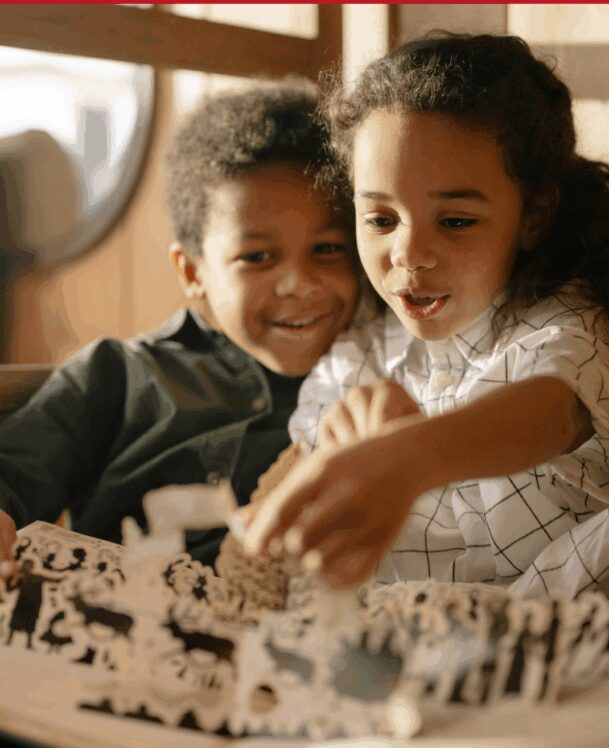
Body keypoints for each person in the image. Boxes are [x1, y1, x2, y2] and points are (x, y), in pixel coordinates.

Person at [245, 34, 609, 597]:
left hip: (592, 625)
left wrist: (406, 457)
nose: (408, 253)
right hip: (419, 651)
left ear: (534, 214)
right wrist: (340, 444)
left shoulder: (563, 320)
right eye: (380, 219)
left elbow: (549, 410)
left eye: (455, 221)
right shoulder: (363, 351)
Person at [0, 80, 359, 567]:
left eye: (328, 249)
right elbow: (14, 472)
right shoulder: (118, 374)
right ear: (192, 272)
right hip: (127, 625)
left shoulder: (374, 374)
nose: (298, 282)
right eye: (257, 257)